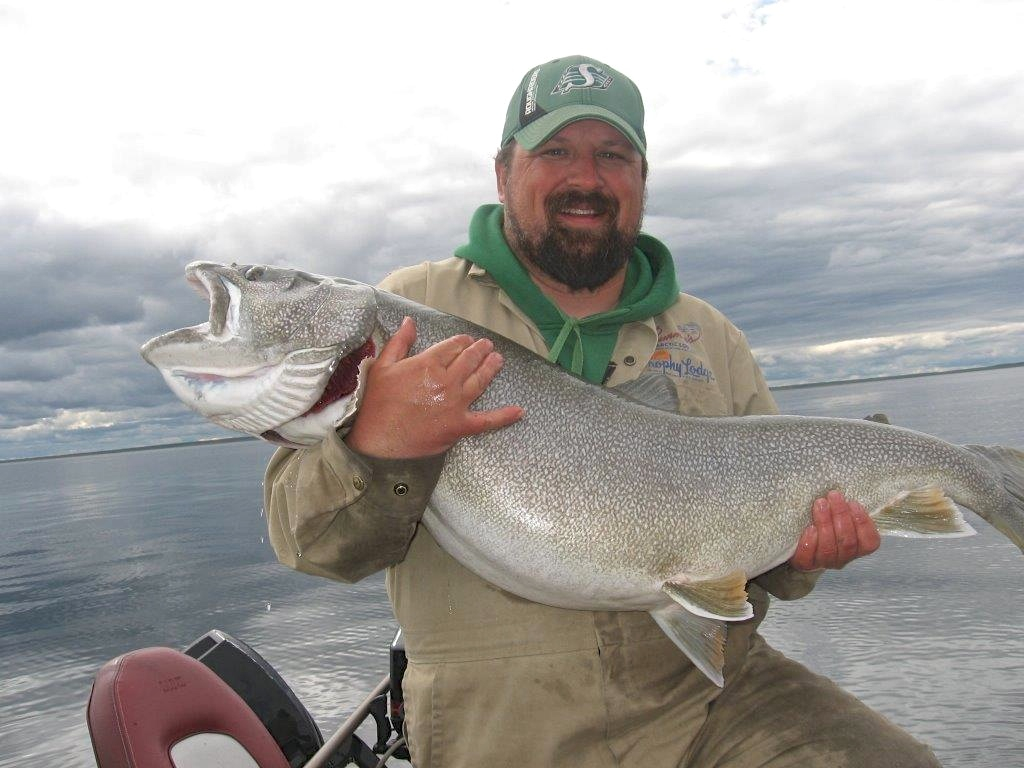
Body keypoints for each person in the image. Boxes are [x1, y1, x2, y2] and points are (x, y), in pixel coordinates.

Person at [265, 55, 941, 767]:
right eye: (555, 151)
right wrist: (375, 447)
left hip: (714, 699)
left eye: (612, 155)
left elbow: (766, 571)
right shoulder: (409, 315)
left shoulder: (709, 337)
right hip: (506, 727)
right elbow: (306, 542)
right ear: (503, 173)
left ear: (641, 180)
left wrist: (805, 553)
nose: (585, 178)